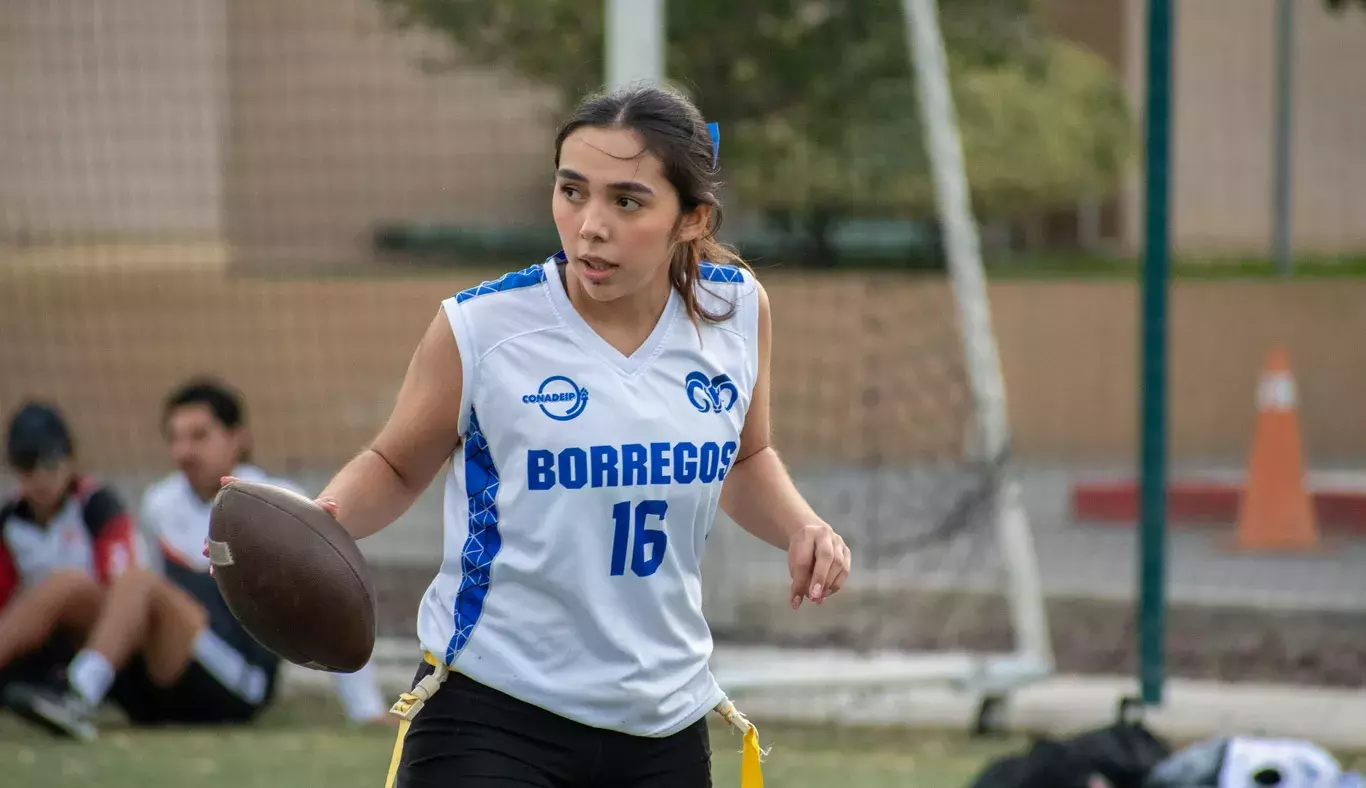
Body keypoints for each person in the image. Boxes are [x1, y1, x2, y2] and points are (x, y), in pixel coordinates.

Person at [228, 84, 853, 788]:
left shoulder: (735, 311)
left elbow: (745, 458)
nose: (589, 225)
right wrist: (316, 526)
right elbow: (395, 465)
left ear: (692, 217)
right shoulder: (484, 328)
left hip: (663, 720)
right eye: (571, 191)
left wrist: (804, 526)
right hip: (493, 712)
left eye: (626, 201)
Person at [0, 384, 389, 739]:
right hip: (166, 673)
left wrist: (366, 707)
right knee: (68, 585)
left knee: (139, 581)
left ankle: (77, 695)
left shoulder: (280, 503)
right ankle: (78, 687)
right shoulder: (159, 502)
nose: (183, 451)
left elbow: (331, 600)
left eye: (199, 436)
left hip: (238, 676)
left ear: (238, 437)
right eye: (175, 438)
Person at [0, 401, 144, 734]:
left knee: (68, 587)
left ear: (70, 459)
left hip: (100, 635)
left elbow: (121, 585)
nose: (40, 478)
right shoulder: (10, 523)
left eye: (49, 463)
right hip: (39, 644)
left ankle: (78, 690)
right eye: (27, 466)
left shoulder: (97, 506)